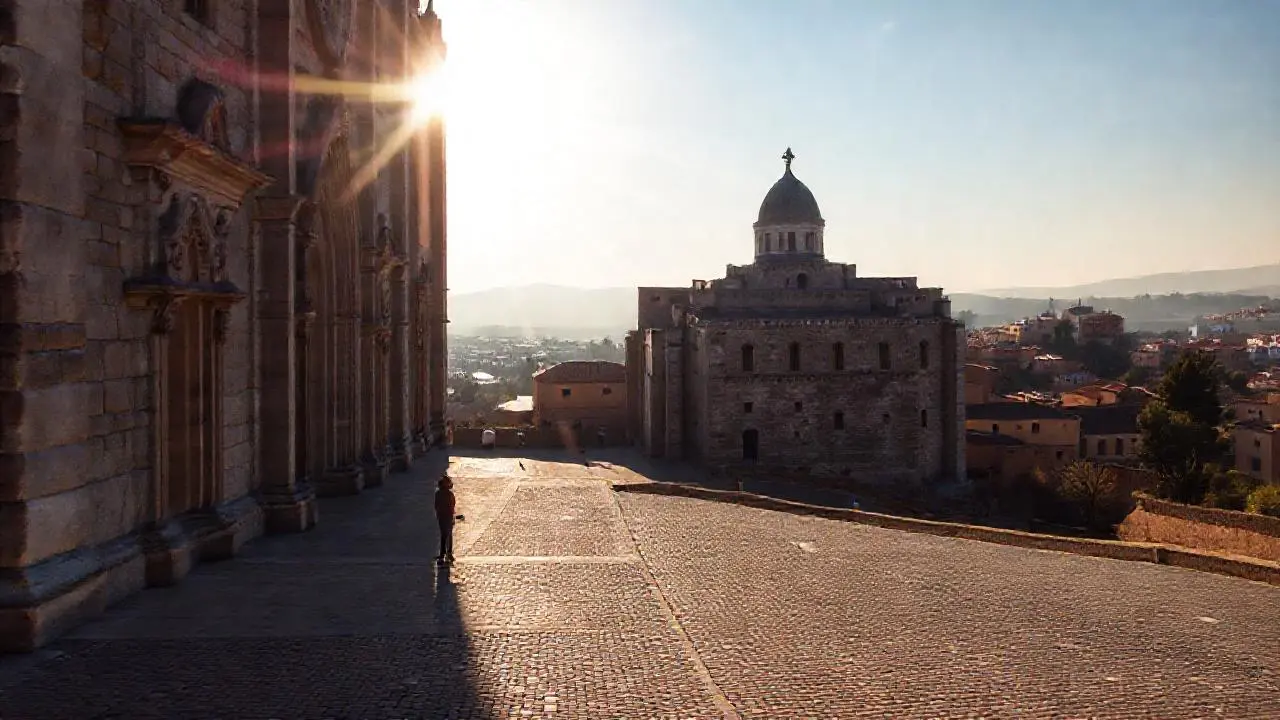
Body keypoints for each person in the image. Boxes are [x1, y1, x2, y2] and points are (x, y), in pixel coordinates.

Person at [435, 474, 457, 564]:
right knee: (448, 535)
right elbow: (453, 505)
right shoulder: (449, 494)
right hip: (447, 516)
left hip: (442, 516)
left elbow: (436, 505)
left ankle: (443, 553)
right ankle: (448, 553)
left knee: (444, 535)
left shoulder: (438, 493)